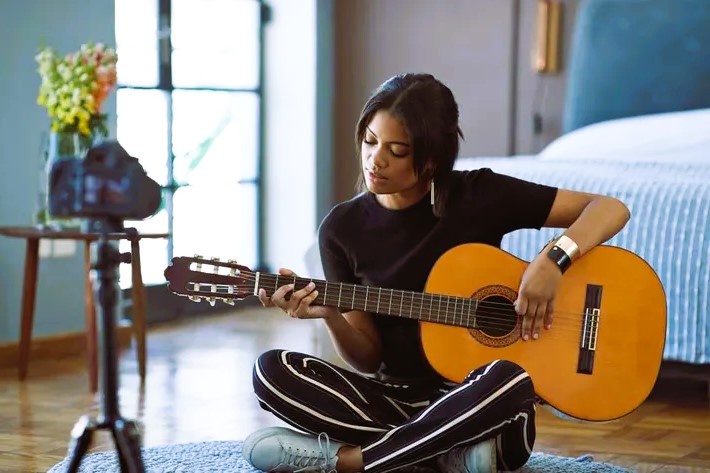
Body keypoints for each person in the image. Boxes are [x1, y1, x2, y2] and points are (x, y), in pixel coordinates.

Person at [242, 73, 630, 473]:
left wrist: (554, 260)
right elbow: (367, 358)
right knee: (271, 371)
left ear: (432, 157)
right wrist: (330, 315)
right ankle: (443, 454)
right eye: (370, 141)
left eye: (397, 150)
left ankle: (354, 462)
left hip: (477, 396)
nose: (375, 159)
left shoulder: (479, 195)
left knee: (511, 381)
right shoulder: (341, 229)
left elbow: (608, 208)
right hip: (395, 397)